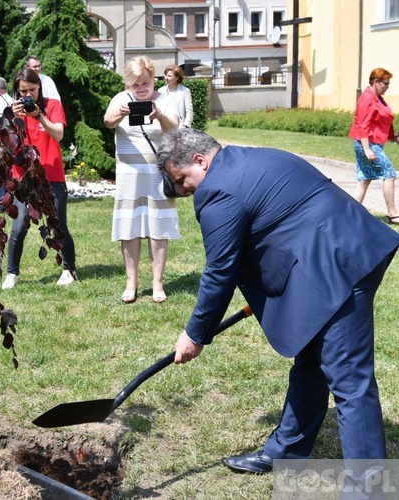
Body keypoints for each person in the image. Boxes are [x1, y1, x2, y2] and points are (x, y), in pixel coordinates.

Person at [156, 127, 399, 474]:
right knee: (312, 363)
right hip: (336, 253)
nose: (182, 189)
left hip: (339, 266)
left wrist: (196, 334)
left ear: (199, 161)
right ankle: (284, 452)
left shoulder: (216, 190)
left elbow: (220, 270)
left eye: (181, 179)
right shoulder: (252, 156)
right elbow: (285, 218)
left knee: (349, 381)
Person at [103, 56, 180, 304]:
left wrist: (159, 116)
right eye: (135, 84)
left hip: (157, 173)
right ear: (128, 84)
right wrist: (119, 114)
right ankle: (131, 281)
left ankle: (158, 282)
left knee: (158, 228)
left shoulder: (164, 100)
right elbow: (107, 122)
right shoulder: (120, 99)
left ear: (153, 80)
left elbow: (175, 129)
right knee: (129, 226)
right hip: (128, 174)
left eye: (145, 83)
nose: (141, 89)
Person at [1, 68, 75, 289]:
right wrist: (11, 118)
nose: (28, 95)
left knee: (59, 224)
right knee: (19, 224)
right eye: (23, 91)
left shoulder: (52, 105)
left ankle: (69, 269)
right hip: (23, 176)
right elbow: (5, 144)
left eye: (32, 90)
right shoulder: (12, 113)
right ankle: (12, 273)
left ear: (39, 87)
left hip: (52, 175)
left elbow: (59, 135)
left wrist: (39, 115)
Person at [349, 68, 399, 222]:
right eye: (386, 84)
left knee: (364, 179)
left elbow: (385, 120)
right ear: (376, 82)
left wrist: (395, 137)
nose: (387, 87)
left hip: (371, 143)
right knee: (390, 175)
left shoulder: (378, 98)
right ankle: (393, 214)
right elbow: (363, 125)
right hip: (368, 144)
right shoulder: (367, 98)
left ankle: (350, 214)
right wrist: (367, 149)